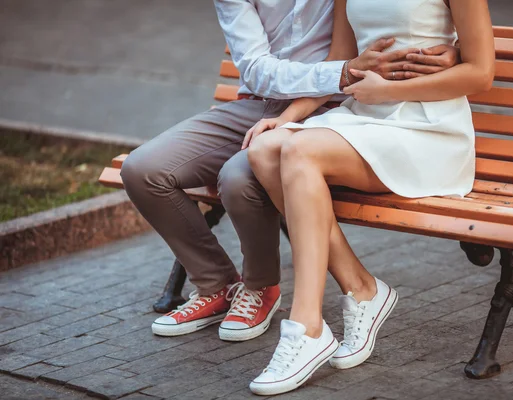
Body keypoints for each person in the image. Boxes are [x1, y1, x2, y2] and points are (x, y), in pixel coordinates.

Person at [120, 0, 460, 342]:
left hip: (336, 106)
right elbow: (255, 69)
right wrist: (339, 73)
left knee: (238, 177)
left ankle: (261, 287)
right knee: (143, 170)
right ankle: (217, 285)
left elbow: (406, 21)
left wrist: (454, 52)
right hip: (264, 103)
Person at [245, 0, 495, 395]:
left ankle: (307, 326)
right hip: (366, 117)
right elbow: (344, 63)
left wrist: (392, 90)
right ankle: (361, 287)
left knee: (298, 151)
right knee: (263, 151)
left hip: (428, 129)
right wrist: (288, 117)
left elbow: (481, 73)